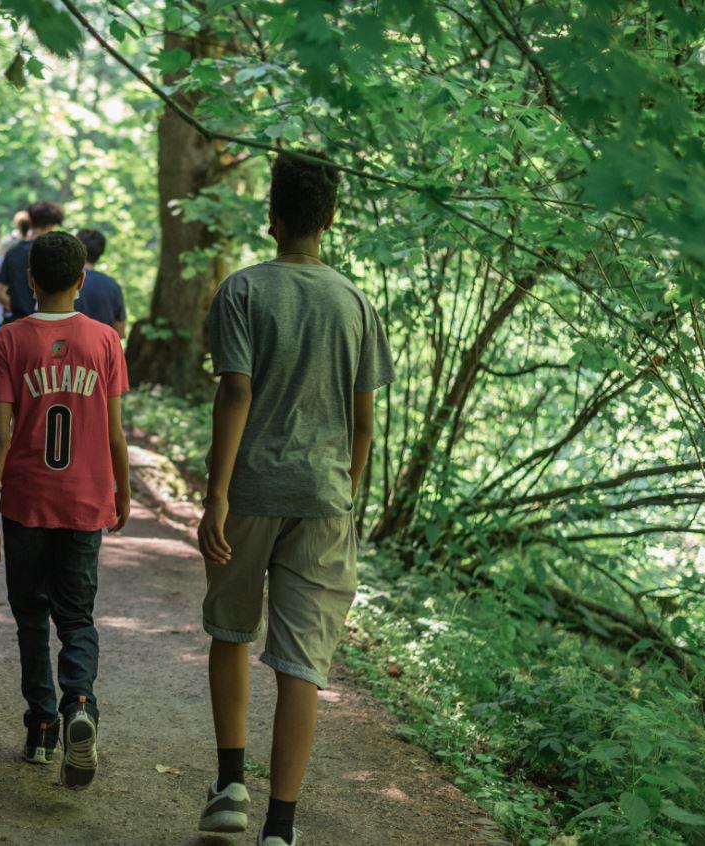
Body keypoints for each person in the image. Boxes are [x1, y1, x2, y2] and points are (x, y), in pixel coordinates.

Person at [196, 151, 394, 846]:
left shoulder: (242, 292)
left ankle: (229, 787)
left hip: (249, 490)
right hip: (323, 497)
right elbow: (363, 422)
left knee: (230, 631)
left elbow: (236, 391)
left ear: (270, 215)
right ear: (330, 219)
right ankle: (280, 826)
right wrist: (344, 494)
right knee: (300, 663)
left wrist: (215, 494)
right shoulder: (356, 304)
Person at [0, 231, 131, 791]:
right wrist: (124, 489)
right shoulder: (106, 341)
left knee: (30, 616)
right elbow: (114, 430)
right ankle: (80, 704)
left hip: (26, 501)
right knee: (77, 616)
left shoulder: (7, 341)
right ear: (83, 280)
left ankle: (41, 726)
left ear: (30, 280)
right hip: (87, 500)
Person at [0, 200, 63, 324]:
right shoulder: (55, 253)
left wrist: (18, 308)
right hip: (45, 324)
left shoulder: (13, 252)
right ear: (50, 226)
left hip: (15, 323)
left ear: (30, 220)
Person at [73, 228, 127, 337]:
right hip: (101, 350)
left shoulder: (62, 281)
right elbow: (120, 332)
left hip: (66, 350)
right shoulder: (113, 286)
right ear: (100, 252)